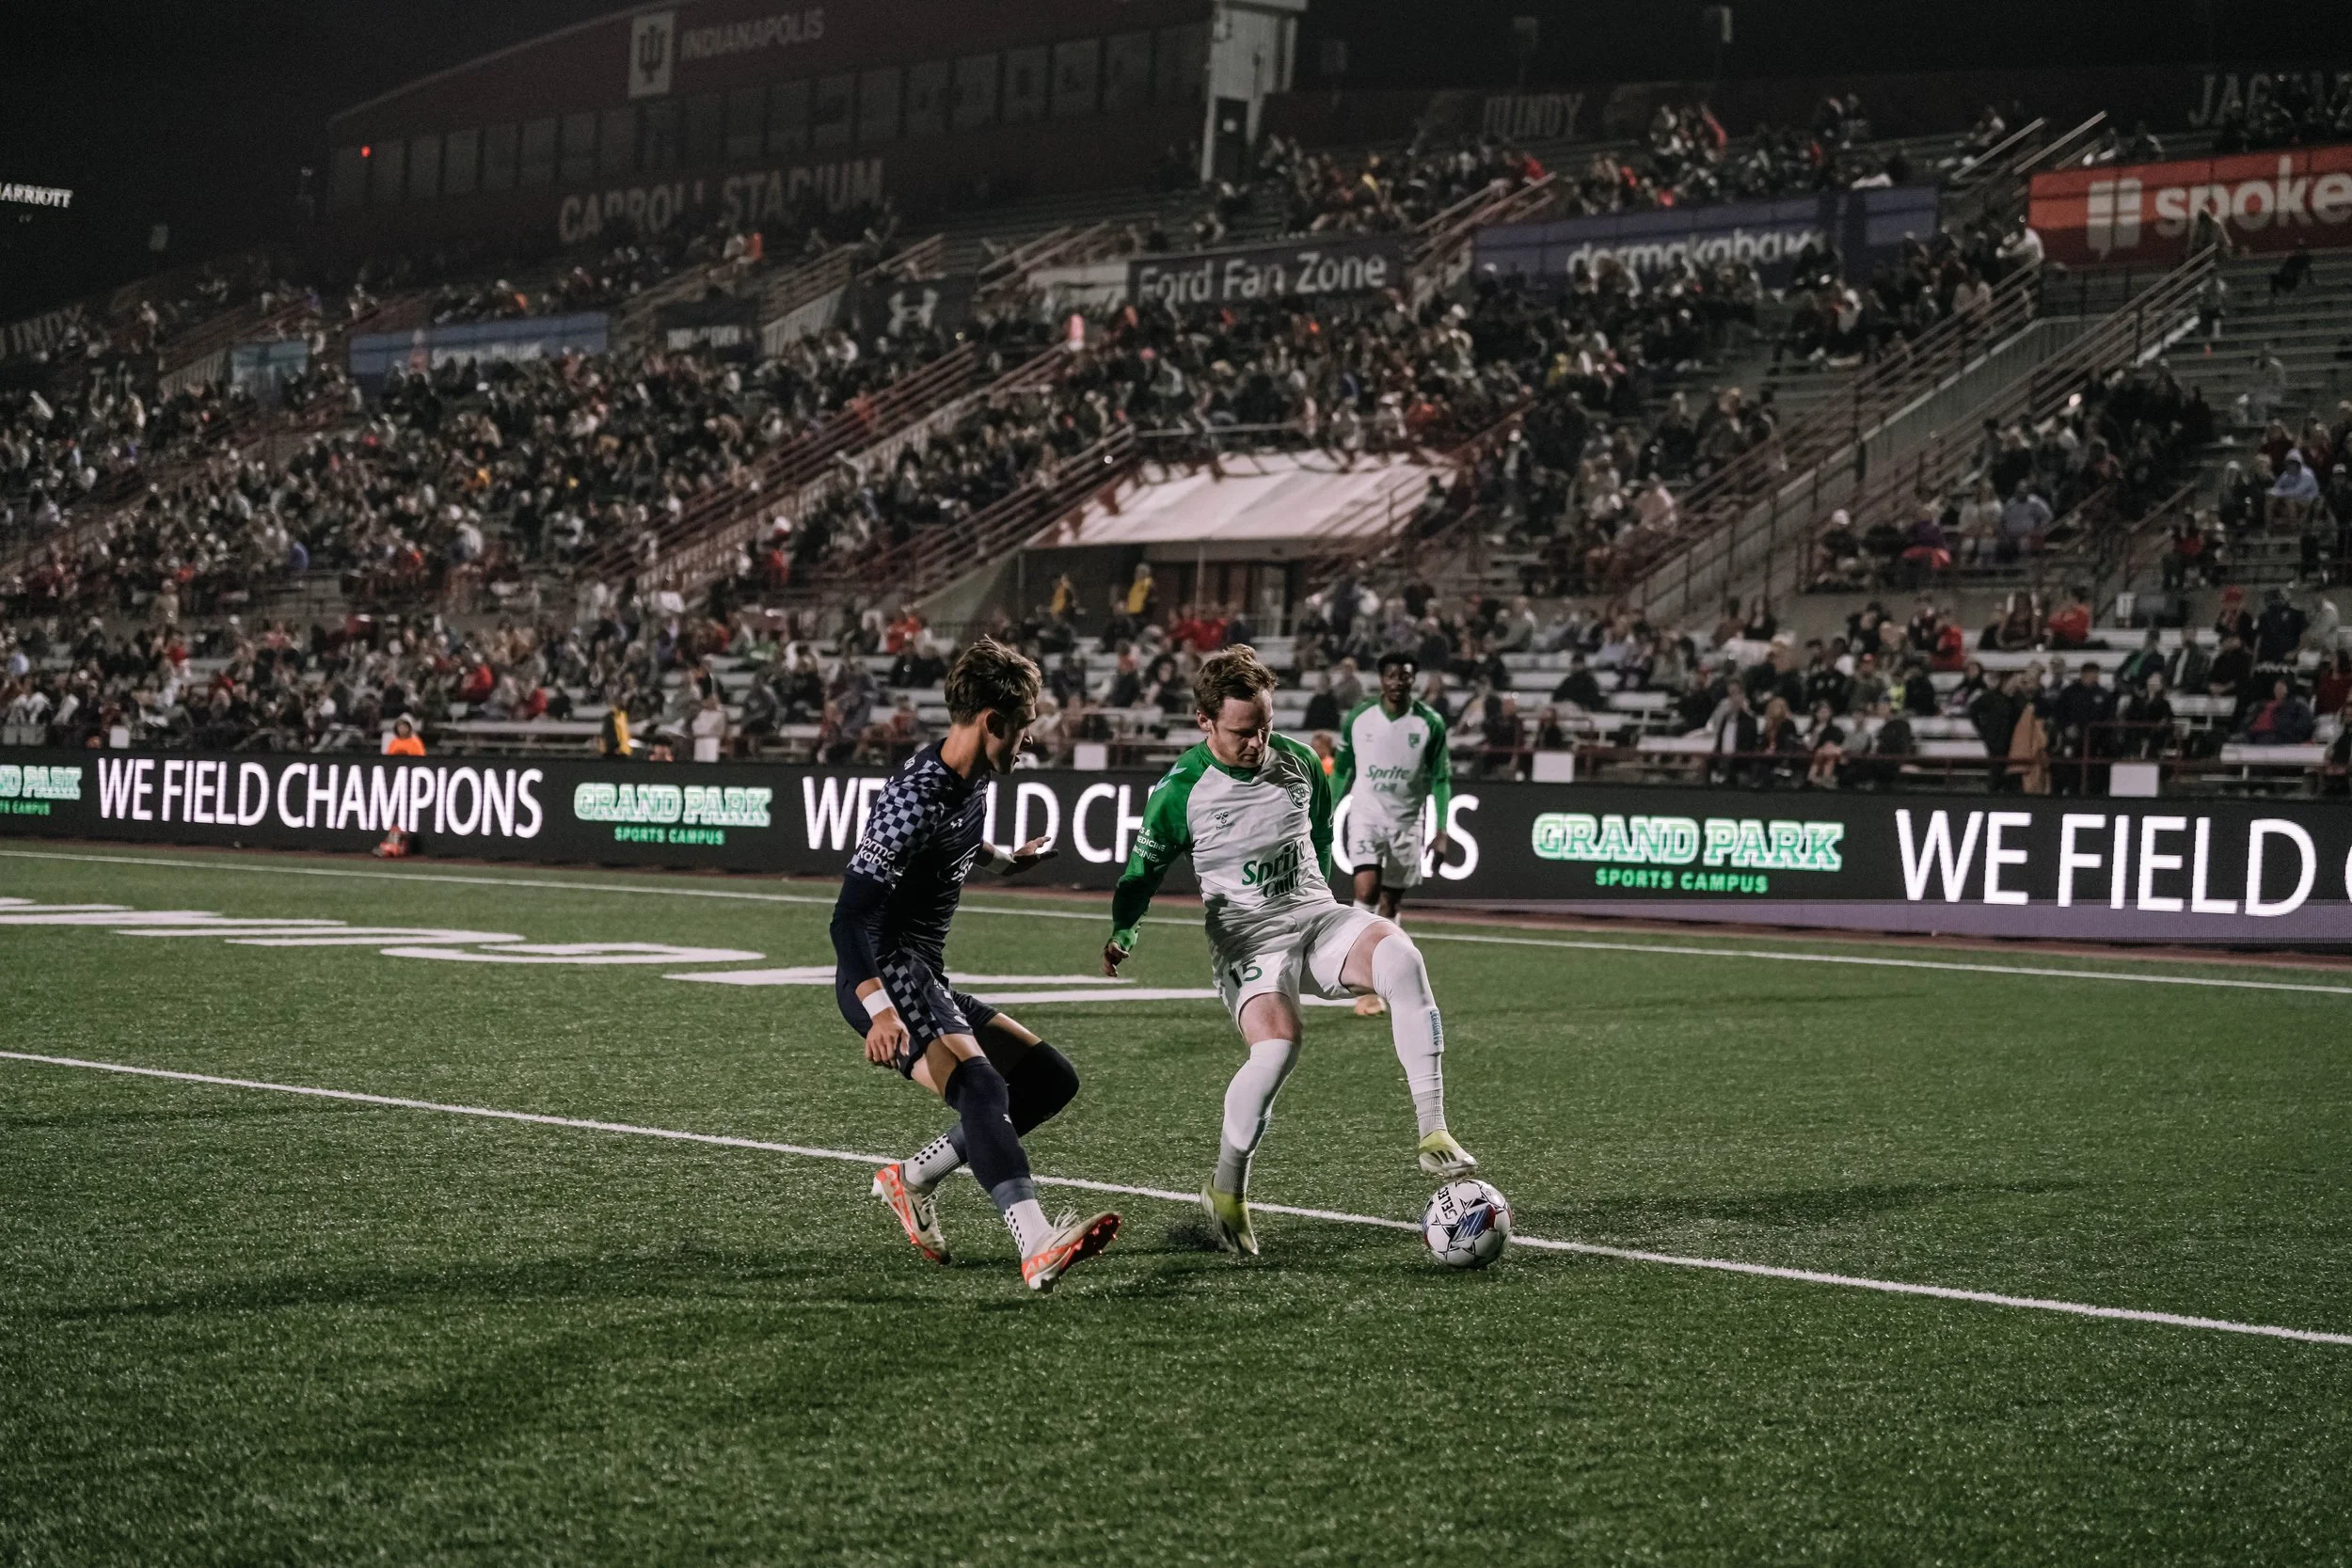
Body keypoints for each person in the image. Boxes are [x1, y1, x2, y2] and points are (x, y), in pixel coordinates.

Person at [1102, 645, 1477, 1257]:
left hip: (1313, 913)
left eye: (1265, 727)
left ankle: (1432, 1128)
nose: (1258, 743)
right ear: (1204, 721)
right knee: (1278, 1047)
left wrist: (1322, 903)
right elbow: (1141, 874)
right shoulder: (1180, 791)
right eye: (1242, 733)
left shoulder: (1300, 761)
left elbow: (1322, 834)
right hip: (1247, 938)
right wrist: (1125, 930)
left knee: (1402, 957)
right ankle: (1226, 1188)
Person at [835, 640, 1120, 1293]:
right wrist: (880, 1011)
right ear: (992, 721)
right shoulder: (917, 796)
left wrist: (1006, 861)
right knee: (983, 1088)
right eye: (1023, 728)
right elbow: (848, 917)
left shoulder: (967, 775)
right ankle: (1036, 1242)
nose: (1027, 742)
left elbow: (956, 836)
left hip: (922, 974)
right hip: (887, 971)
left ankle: (911, 1179)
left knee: (1047, 1080)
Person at [1331, 652, 1454, 1016]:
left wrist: (1442, 829)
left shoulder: (1429, 723)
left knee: (1390, 905)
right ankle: (1361, 983)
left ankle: (1384, 976)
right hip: (1366, 815)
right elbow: (1342, 769)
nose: (1398, 682)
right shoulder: (1359, 718)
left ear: (1413, 680)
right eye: (1392, 676)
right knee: (1365, 891)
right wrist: (1326, 810)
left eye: (1405, 676)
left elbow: (1441, 779)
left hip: (1407, 822)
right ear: (1381, 679)